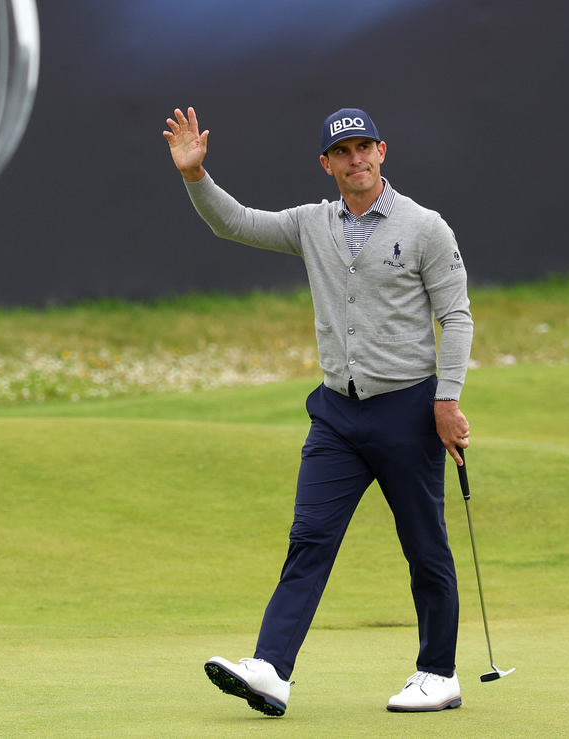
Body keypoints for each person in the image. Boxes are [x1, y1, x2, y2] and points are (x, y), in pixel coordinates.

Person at [162, 107, 473, 714]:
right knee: (308, 538)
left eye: (365, 148)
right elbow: (236, 223)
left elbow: (455, 316)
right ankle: (272, 670)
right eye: (343, 152)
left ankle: (439, 673)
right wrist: (195, 176)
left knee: (424, 544)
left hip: (409, 409)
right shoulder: (312, 223)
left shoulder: (426, 227)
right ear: (327, 164)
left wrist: (447, 398)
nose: (356, 159)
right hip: (337, 414)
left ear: (382, 152)